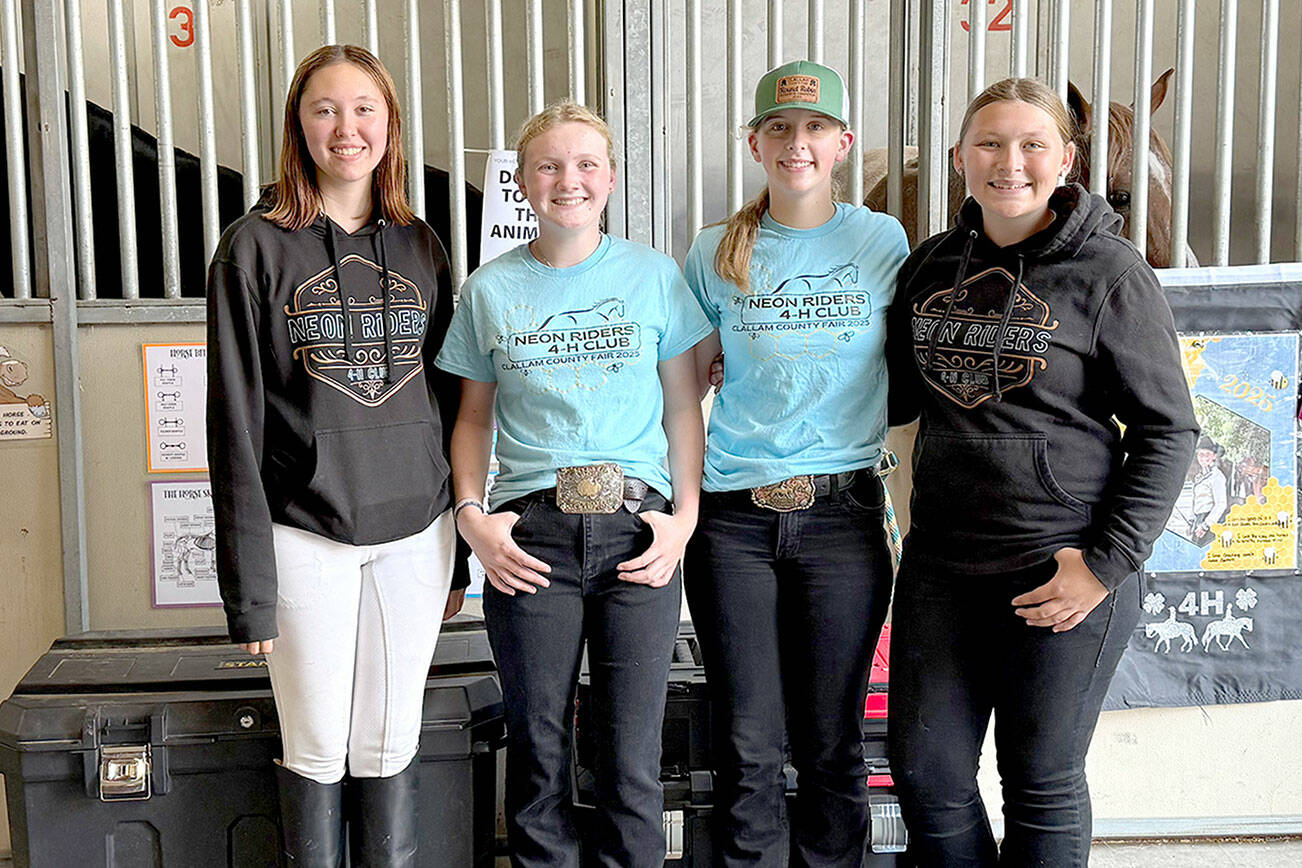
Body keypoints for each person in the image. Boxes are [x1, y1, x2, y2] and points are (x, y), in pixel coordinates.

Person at [885, 77, 1199, 867]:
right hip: (943, 569)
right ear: (961, 157)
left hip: (1062, 567)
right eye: (990, 143)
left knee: (1041, 780)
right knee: (928, 778)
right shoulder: (929, 267)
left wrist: (1104, 565)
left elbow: (1168, 430)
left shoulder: (1111, 272)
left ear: (1066, 159)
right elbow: (887, 393)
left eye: (1032, 144)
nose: (1009, 162)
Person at [206, 44, 467, 866]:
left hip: (416, 537)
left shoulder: (422, 246)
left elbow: (451, 406)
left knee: (388, 744)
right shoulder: (252, 248)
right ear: (299, 126)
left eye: (364, 109)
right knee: (317, 746)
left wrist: (457, 559)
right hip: (303, 536)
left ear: (388, 125)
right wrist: (248, 587)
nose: (346, 127)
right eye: (325, 109)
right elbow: (234, 422)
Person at [436, 101, 711, 867]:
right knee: (538, 745)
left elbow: (684, 408)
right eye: (548, 166)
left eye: (586, 164)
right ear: (521, 182)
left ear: (611, 178)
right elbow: (471, 420)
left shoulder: (653, 277)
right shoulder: (490, 291)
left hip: (639, 535)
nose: (569, 181)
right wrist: (471, 517)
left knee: (630, 754)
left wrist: (684, 518)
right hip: (531, 539)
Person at [683, 60, 909, 866]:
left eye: (815, 128)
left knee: (832, 743)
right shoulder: (713, 251)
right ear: (754, 141)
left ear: (843, 143)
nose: (797, 143)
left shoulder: (882, 239)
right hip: (733, 522)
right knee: (745, 743)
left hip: (842, 520)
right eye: (779, 127)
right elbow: (687, 381)